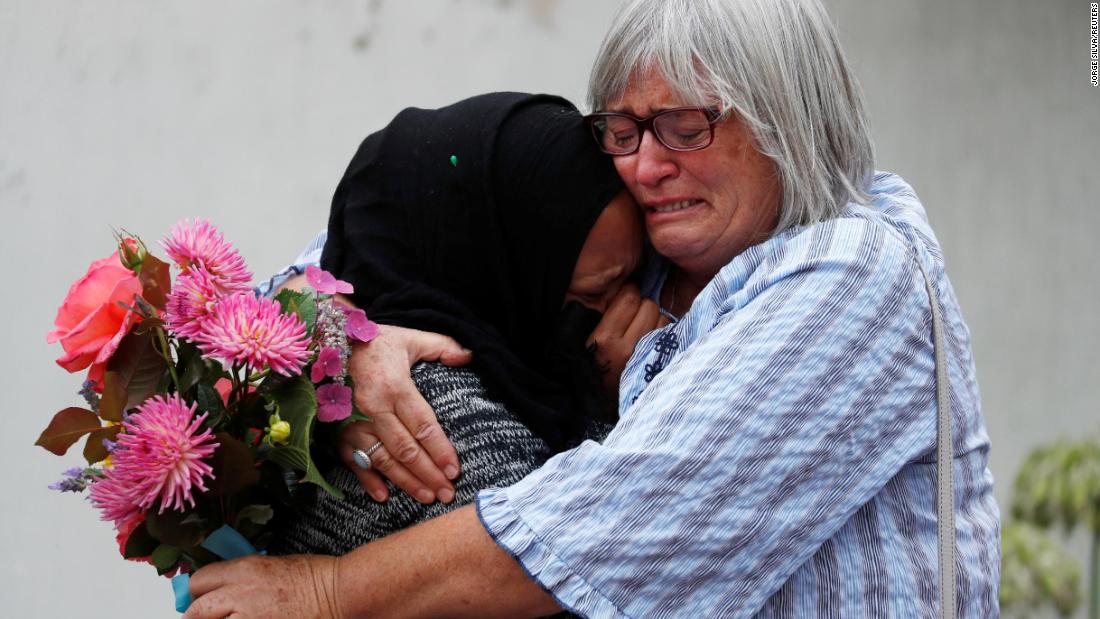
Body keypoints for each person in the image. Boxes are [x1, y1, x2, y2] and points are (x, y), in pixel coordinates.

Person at [186, 0, 1001, 617]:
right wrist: (349, 339)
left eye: (685, 125)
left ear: (788, 120)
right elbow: (324, 263)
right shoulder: (656, 245)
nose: (645, 165)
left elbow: (625, 522)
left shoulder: (853, 270)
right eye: (624, 128)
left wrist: (325, 591)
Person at [259, 91, 653, 555]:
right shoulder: (439, 429)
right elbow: (579, 574)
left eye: (636, 278)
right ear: (498, 270)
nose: (631, 309)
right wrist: (607, 412)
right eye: (593, 293)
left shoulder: (336, 353)